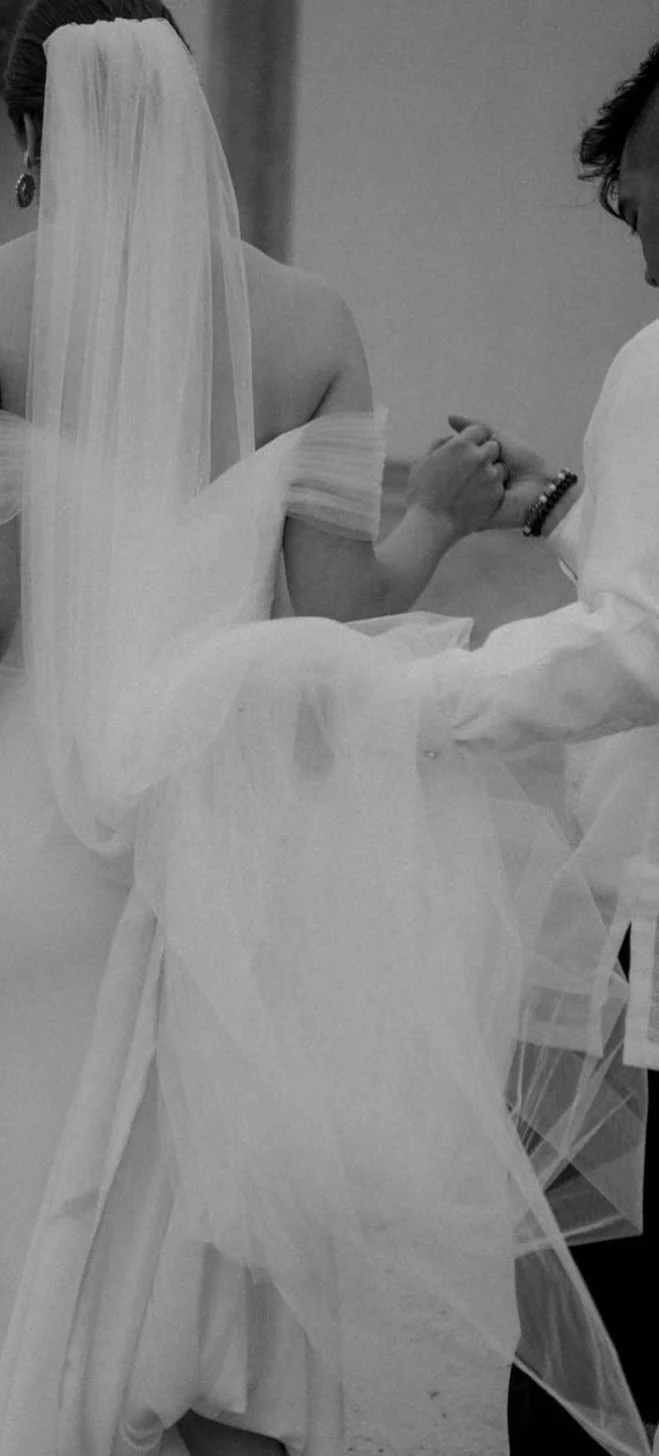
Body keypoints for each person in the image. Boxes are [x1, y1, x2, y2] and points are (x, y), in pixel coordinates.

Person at [0, 6, 651, 1455]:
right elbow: (334, 620)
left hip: (34, 843)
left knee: (27, 1227)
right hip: (236, 841)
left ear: (29, 136)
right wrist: (436, 522)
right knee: (210, 1249)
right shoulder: (309, 319)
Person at [429, 39, 659, 1452]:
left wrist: (414, 700)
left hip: (645, 933)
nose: (609, 204)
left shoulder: (658, 355)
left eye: (623, 173)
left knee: (586, 1348)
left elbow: (643, 645)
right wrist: (567, 510)